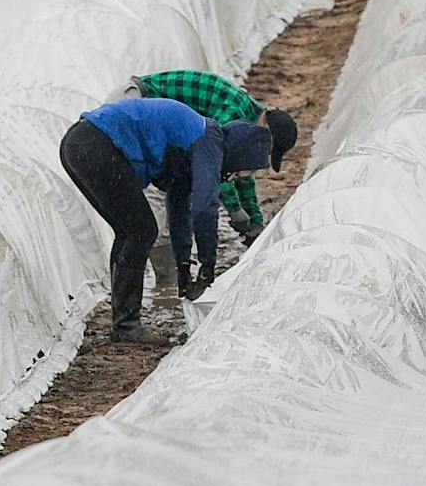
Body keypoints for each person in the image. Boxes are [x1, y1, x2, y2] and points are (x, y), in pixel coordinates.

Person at [59, 98, 274, 338]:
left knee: (131, 231)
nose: (239, 176)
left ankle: (124, 322)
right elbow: (205, 207)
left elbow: (179, 205)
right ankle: (126, 325)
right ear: (240, 154)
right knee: (140, 230)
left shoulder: (193, 146)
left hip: (80, 143)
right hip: (96, 144)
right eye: (246, 170)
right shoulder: (208, 142)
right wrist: (207, 265)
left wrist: (183, 264)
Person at [115, 71, 296, 246]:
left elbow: (242, 172)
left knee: (174, 191)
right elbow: (215, 164)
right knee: (157, 197)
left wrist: (255, 220)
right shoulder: (234, 112)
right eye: (268, 148)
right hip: (133, 103)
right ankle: (165, 273)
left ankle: (175, 266)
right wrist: (235, 210)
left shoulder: (250, 121)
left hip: (147, 114)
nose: (263, 153)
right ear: (266, 129)